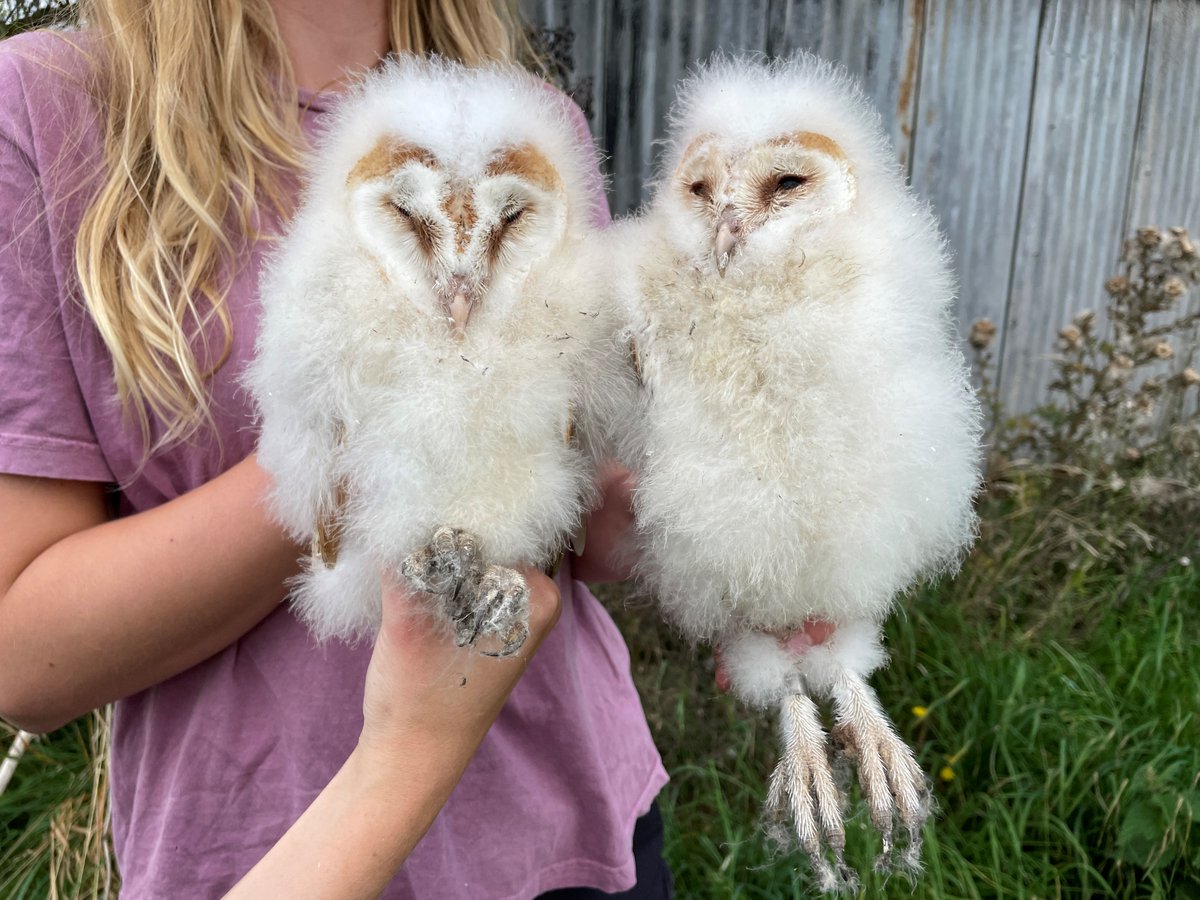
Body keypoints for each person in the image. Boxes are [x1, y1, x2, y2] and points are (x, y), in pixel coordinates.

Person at [0, 1, 671, 896]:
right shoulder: (50, 110)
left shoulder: (525, 123)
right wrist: (360, 432)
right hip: (261, 850)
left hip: (569, 832)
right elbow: (24, 655)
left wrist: (712, 498)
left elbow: (572, 523)